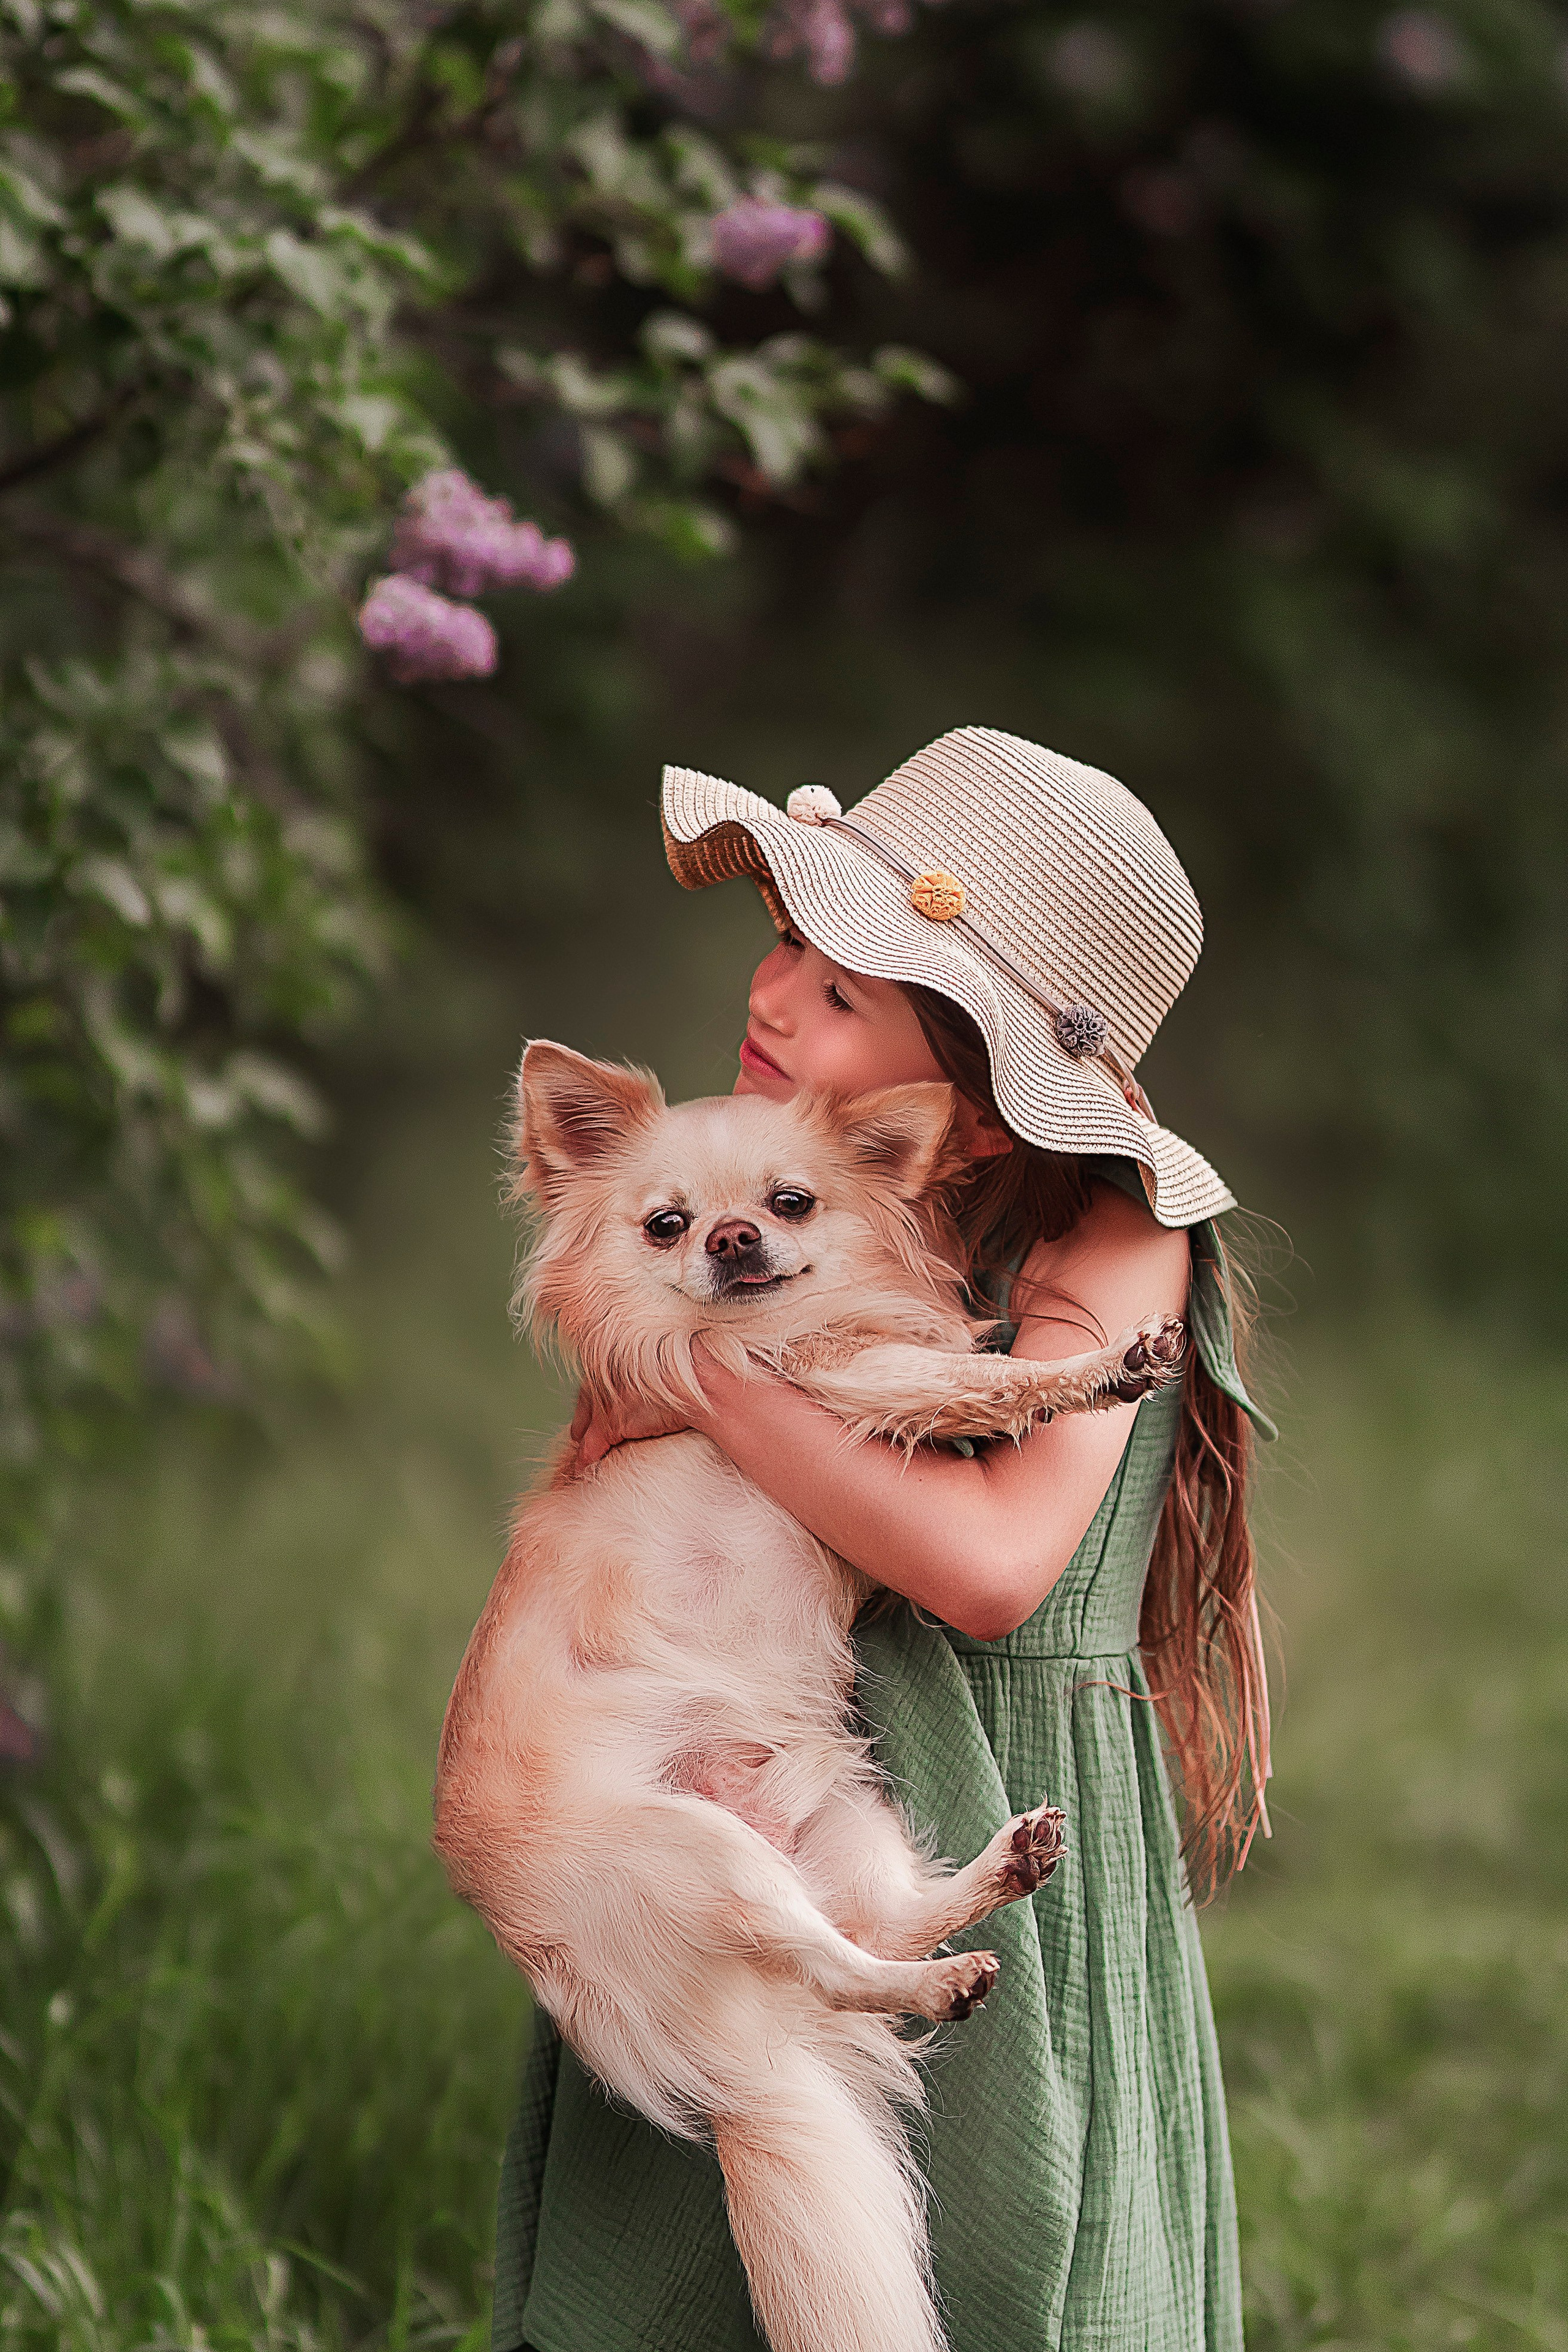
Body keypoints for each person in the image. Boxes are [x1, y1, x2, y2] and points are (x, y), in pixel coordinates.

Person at [489, 726, 1275, 2352]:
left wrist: (710, 1373)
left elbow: (991, 1567)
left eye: (841, 992)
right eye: (787, 944)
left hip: (987, 1783)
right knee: (695, 2264)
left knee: (1006, 2244)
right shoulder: (760, 1198)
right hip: (750, 1776)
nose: (772, 997)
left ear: (977, 1107)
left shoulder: (1116, 1241)